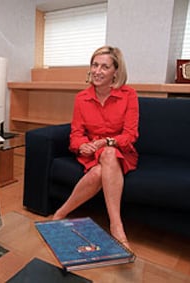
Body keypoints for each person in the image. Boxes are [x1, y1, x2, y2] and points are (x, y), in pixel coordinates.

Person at [52, 46, 139, 249]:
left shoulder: (129, 95)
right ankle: (113, 226)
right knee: (100, 164)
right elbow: (76, 134)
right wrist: (82, 146)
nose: (97, 71)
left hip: (120, 151)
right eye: (94, 65)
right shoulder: (82, 98)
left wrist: (106, 142)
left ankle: (111, 224)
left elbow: (130, 135)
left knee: (106, 159)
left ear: (115, 72)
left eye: (105, 66)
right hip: (92, 153)